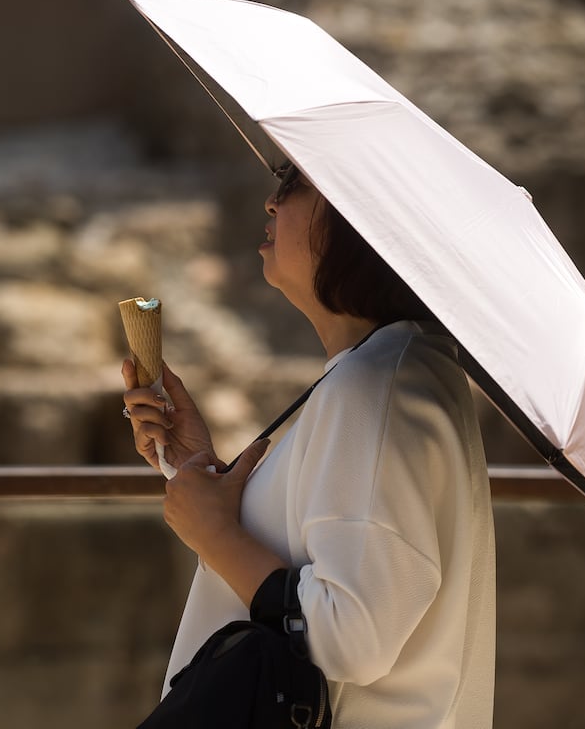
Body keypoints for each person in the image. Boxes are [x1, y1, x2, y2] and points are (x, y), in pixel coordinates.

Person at [121, 163, 496, 728]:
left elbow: (353, 636)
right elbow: (322, 559)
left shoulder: (377, 387)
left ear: (359, 221)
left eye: (296, 185)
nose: (272, 203)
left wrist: (216, 534)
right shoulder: (384, 372)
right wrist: (194, 469)